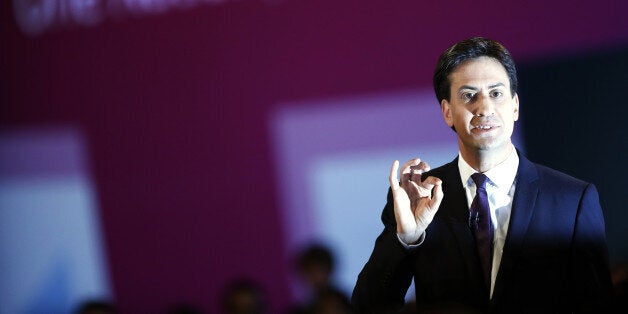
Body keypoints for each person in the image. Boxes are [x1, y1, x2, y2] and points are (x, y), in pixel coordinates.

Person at [352, 37, 612, 313]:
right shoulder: (420, 197)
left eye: (496, 93)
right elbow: (368, 307)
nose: (484, 108)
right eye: (468, 95)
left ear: (515, 106)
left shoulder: (572, 200)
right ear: (447, 112)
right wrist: (407, 239)